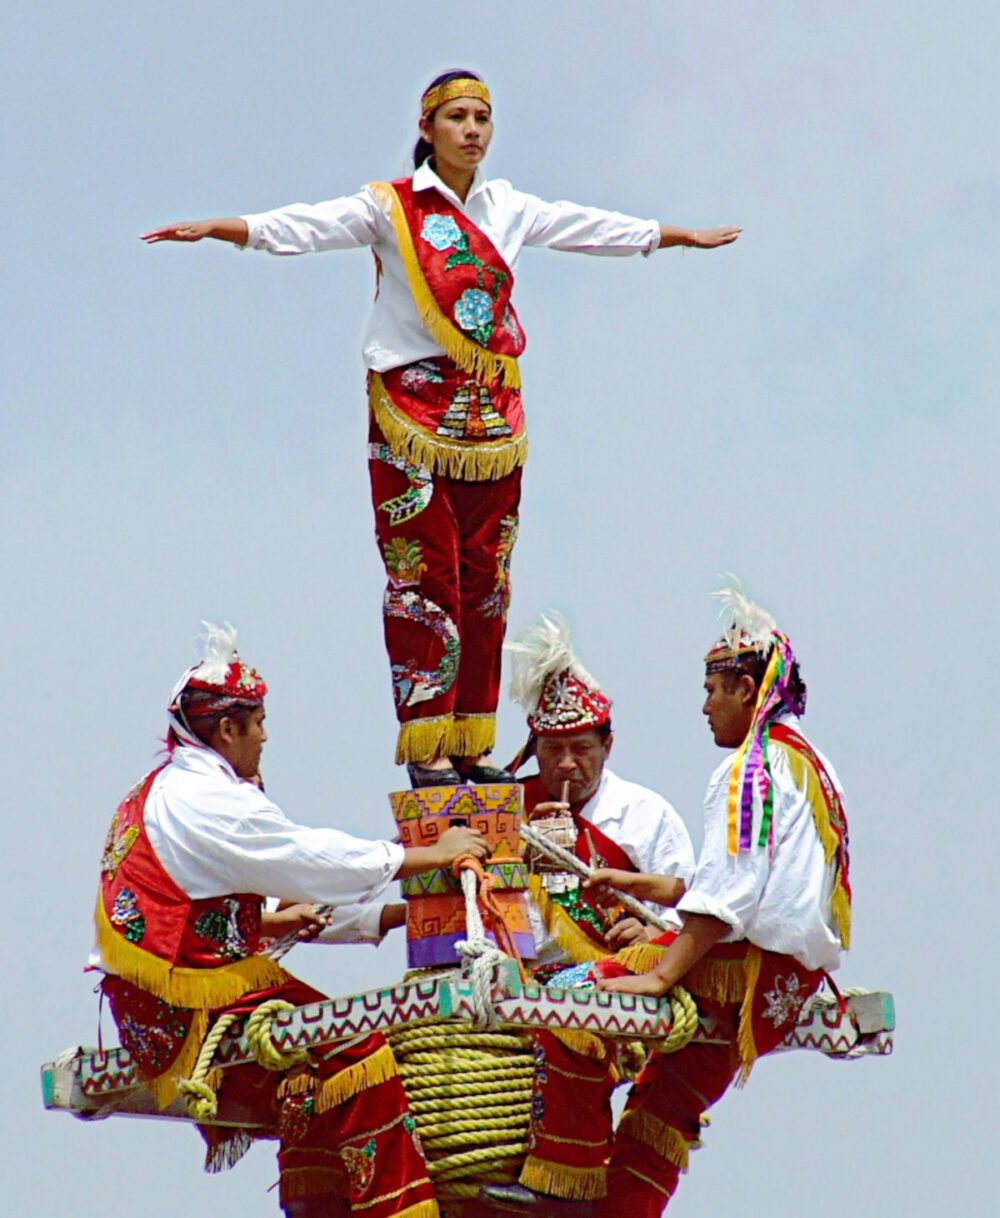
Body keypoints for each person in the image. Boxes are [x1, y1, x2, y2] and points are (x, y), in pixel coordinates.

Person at [140, 70, 741, 788]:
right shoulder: (391, 209)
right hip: (411, 408)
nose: (473, 129)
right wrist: (225, 229)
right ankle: (425, 741)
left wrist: (676, 237)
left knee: (487, 580)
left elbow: (589, 227)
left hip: (488, 413)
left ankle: (467, 741)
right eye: (457, 116)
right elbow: (306, 225)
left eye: (483, 117)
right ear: (427, 128)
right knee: (425, 577)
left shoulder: (508, 207)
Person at [91, 623, 488, 1218]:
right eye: (258, 723)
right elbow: (310, 861)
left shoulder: (168, 788)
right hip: (192, 1009)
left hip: (164, 1002)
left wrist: (400, 915)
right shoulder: (209, 803)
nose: (266, 735)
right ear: (227, 729)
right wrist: (430, 854)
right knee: (360, 1050)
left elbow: (241, 905)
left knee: (304, 1078)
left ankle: (315, 1208)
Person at [490, 583, 852, 1215]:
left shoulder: (749, 769)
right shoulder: (808, 760)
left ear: (745, 690)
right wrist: (638, 889)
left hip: (734, 971)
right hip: (785, 984)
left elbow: (725, 900)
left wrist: (659, 975)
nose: (704, 705)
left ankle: (560, 1182)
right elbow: (740, 889)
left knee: (570, 997)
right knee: (665, 1105)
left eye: (713, 689)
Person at [484, 613, 694, 1204]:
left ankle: (566, 1178)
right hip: (512, 977)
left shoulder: (647, 815)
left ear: (608, 745)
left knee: (572, 1000)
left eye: (581, 749)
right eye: (553, 751)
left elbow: (698, 914)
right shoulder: (507, 808)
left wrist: (649, 926)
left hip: (616, 978)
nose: (567, 766)